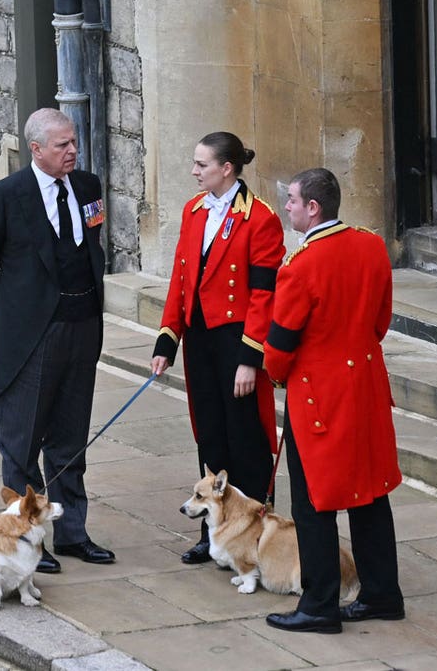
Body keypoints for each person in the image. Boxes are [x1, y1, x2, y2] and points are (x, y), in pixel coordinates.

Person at [0, 107, 115, 574]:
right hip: (31, 338)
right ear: (35, 149)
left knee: (70, 439)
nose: (72, 151)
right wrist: (13, 312)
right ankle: (28, 540)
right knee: (22, 441)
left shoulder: (87, 188)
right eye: (61, 145)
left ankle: (72, 533)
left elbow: (92, 247)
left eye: (73, 143)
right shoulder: (7, 196)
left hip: (81, 328)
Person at [263, 167, 405, 634]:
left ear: (314, 208)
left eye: (292, 200)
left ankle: (319, 604)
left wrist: (279, 374)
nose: (286, 206)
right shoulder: (371, 245)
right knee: (370, 494)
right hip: (364, 388)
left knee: (313, 504)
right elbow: (380, 321)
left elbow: (279, 351)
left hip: (319, 398)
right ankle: (382, 593)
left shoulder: (300, 266)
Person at [150, 132, 284, 565]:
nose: (194, 171)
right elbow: (181, 280)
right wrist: (167, 338)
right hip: (202, 340)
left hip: (237, 340)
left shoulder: (260, 218)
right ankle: (215, 533)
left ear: (226, 168)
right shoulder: (193, 211)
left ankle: (258, 532)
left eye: (202, 165)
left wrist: (250, 359)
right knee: (209, 435)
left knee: (244, 438)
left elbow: (265, 294)